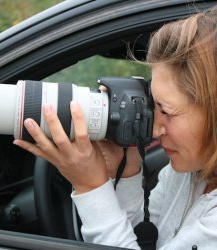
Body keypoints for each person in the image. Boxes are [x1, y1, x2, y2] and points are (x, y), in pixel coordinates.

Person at [13, 5, 217, 250]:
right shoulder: (192, 170)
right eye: (153, 105)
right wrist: (128, 170)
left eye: (167, 111)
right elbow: (144, 241)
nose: (154, 130)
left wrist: (90, 187)